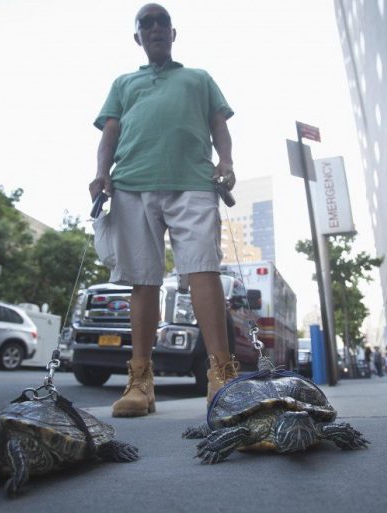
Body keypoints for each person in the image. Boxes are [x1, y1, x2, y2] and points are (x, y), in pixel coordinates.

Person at [90, 4, 237, 417]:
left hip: (192, 181)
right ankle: (140, 382)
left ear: (174, 33)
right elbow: (110, 133)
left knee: (204, 268)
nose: (155, 28)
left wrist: (225, 162)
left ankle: (222, 376)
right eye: (146, 24)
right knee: (142, 279)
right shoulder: (124, 83)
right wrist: (101, 173)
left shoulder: (199, 78)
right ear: (138, 37)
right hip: (132, 184)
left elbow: (219, 125)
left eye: (162, 23)